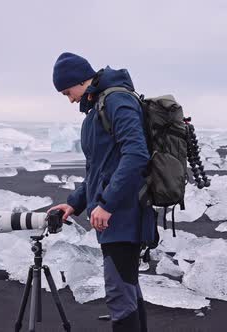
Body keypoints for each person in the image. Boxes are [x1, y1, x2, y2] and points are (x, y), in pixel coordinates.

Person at [48, 52, 155, 332]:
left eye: (67, 92)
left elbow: (136, 154)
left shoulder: (117, 101)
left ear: (81, 81)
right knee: (127, 289)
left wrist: (107, 203)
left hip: (125, 213)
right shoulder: (96, 112)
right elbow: (98, 170)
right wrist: (73, 204)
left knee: (120, 293)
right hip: (115, 214)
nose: (70, 99)